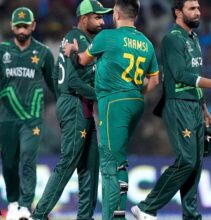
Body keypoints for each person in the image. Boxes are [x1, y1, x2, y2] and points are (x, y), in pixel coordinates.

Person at [131, 0, 211, 219]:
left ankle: (191, 215)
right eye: (192, 9)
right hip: (178, 105)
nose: (198, 12)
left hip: (193, 106)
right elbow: (180, 75)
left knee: (195, 164)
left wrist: (204, 107)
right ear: (178, 12)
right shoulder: (172, 39)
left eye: (198, 8)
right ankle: (146, 207)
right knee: (187, 161)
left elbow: (194, 74)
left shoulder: (193, 38)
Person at [64, 0, 161, 218]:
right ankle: (118, 213)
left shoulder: (106, 37)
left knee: (108, 161)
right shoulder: (146, 43)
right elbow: (155, 80)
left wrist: (71, 51)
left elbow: (82, 61)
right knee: (120, 162)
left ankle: (111, 217)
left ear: (116, 14)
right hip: (136, 102)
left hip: (114, 102)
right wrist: (132, 90)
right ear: (135, 15)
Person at [29, 1, 112, 219]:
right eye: (98, 17)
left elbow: (57, 75)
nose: (103, 21)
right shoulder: (77, 38)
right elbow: (73, 81)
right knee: (69, 162)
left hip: (79, 104)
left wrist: (64, 96)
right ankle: (38, 216)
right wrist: (100, 96)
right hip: (76, 103)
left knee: (90, 165)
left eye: (103, 17)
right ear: (84, 18)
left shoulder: (79, 40)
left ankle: (85, 217)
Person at [0, 7, 55, 220]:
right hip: (6, 118)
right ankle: (13, 202)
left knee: (28, 159)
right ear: (12, 26)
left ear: (33, 25)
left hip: (31, 118)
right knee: (10, 162)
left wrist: (67, 107)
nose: (22, 29)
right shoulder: (2, 51)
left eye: (26, 25)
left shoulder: (43, 53)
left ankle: (24, 205)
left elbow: (54, 85)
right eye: (18, 25)